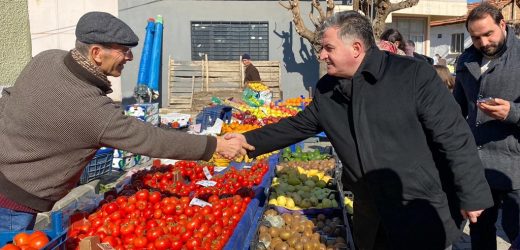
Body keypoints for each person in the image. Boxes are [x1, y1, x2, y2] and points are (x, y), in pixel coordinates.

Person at [227, 10, 493, 250]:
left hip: (417, 205)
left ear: (355, 48)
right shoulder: (327, 89)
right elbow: (297, 125)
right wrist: (246, 140)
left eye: (328, 48)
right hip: (369, 208)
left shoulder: (412, 75)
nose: (321, 55)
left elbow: (454, 136)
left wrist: (472, 193)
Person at [0, 11, 252, 231]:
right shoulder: (93, 111)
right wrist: (214, 146)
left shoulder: (47, 58)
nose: (129, 57)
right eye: (124, 50)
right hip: (14, 203)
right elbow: (149, 139)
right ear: (97, 53)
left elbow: (8, 97)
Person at [453, 3, 520, 250]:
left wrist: (512, 112)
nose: (482, 42)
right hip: (477, 168)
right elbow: (456, 110)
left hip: (514, 169)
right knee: (480, 232)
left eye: (488, 34)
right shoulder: (466, 59)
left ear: (502, 24)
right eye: (475, 36)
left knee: (516, 233)